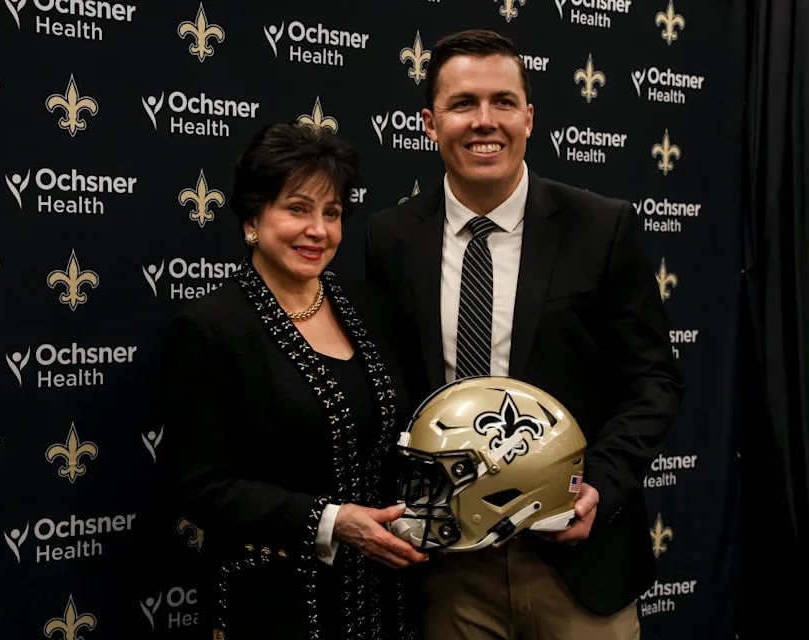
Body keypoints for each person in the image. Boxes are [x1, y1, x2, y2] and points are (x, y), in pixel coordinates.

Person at [366, 30, 685, 639]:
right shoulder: (390, 238)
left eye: (503, 102)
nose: (485, 122)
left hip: (576, 565)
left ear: (530, 117)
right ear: (430, 123)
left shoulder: (603, 227)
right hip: (450, 572)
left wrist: (600, 487)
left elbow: (654, 381)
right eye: (463, 104)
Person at [161, 122, 426, 640]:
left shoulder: (369, 307)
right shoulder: (211, 327)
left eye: (332, 213)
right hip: (277, 601)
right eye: (298, 208)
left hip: (388, 597)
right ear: (251, 218)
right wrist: (331, 521)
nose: (319, 230)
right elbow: (200, 485)